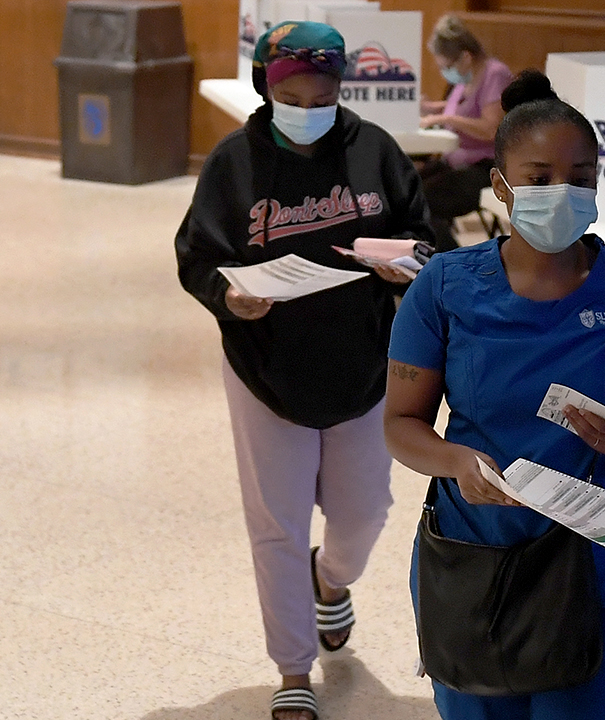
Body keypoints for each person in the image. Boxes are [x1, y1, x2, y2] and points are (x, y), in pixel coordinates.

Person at [384, 69, 605, 720]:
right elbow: (401, 424)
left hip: (600, 568)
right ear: (500, 186)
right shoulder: (446, 287)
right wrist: (456, 463)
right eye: (540, 178)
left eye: (580, 178)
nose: (562, 193)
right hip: (477, 562)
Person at [174, 20, 432, 720]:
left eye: (324, 91)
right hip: (265, 369)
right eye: (296, 91)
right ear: (268, 84)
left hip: (364, 367)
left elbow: (425, 240)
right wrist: (230, 298)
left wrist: (406, 264)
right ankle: (292, 665)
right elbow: (197, 258)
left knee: (365, 512)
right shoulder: (233, 162)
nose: (311, 103)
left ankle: (331, 580)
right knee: (277, 525)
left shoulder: (376, 152)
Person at [416, 14, 514, 252]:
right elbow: (464, 108)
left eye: (447, 67)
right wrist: (433, 108)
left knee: (424, 203)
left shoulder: (494, 74)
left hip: (486, 169)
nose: (445, 72)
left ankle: (450, 261)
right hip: (455, 162)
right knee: (407, 189)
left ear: (465, 57)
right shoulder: (466, 78)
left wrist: (445, 118)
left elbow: (490, 128)